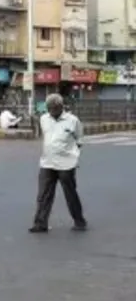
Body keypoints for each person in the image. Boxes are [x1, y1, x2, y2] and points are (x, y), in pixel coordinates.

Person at [30, 93, 87, 233]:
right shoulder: (44, 119)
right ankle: (40, 223)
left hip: (66, 164)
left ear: (61, 107)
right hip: (47, 162)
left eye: (55, 108)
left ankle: (79, 221)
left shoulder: (72, 120)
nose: (52, 111)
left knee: (70, 193)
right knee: (43, 195)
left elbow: (79, 140)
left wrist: (72, 155)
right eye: (50, 108)